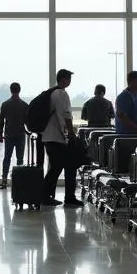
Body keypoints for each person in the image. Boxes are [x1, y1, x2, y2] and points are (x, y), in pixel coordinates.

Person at [42, 69, 81, 208]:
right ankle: (48, 196)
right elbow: (66, 115)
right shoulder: (62, 94)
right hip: (56, 137)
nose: (69, 81)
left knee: (56, 167)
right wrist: (70, 133)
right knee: (61, 167)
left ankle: (47, 196)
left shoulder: (52, 93)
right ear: (63, 80)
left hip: (49, 136)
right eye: (68, 79)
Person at [0, 82, 28, 189]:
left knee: (7, 158)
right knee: (20, 159)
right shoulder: (24, 105)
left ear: (10, 90)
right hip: (20, 135)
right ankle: (19, 182)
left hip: (9, 135)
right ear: (19, 90)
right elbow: (27, 122)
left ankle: (4, 181)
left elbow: (1, 121)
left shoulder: (5, 104)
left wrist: (0, 135)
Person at [115, 71, 137, 135]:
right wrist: (136, 127)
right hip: (126, 134)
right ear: (131, 81)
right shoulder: (124, 97)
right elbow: (121, 116)